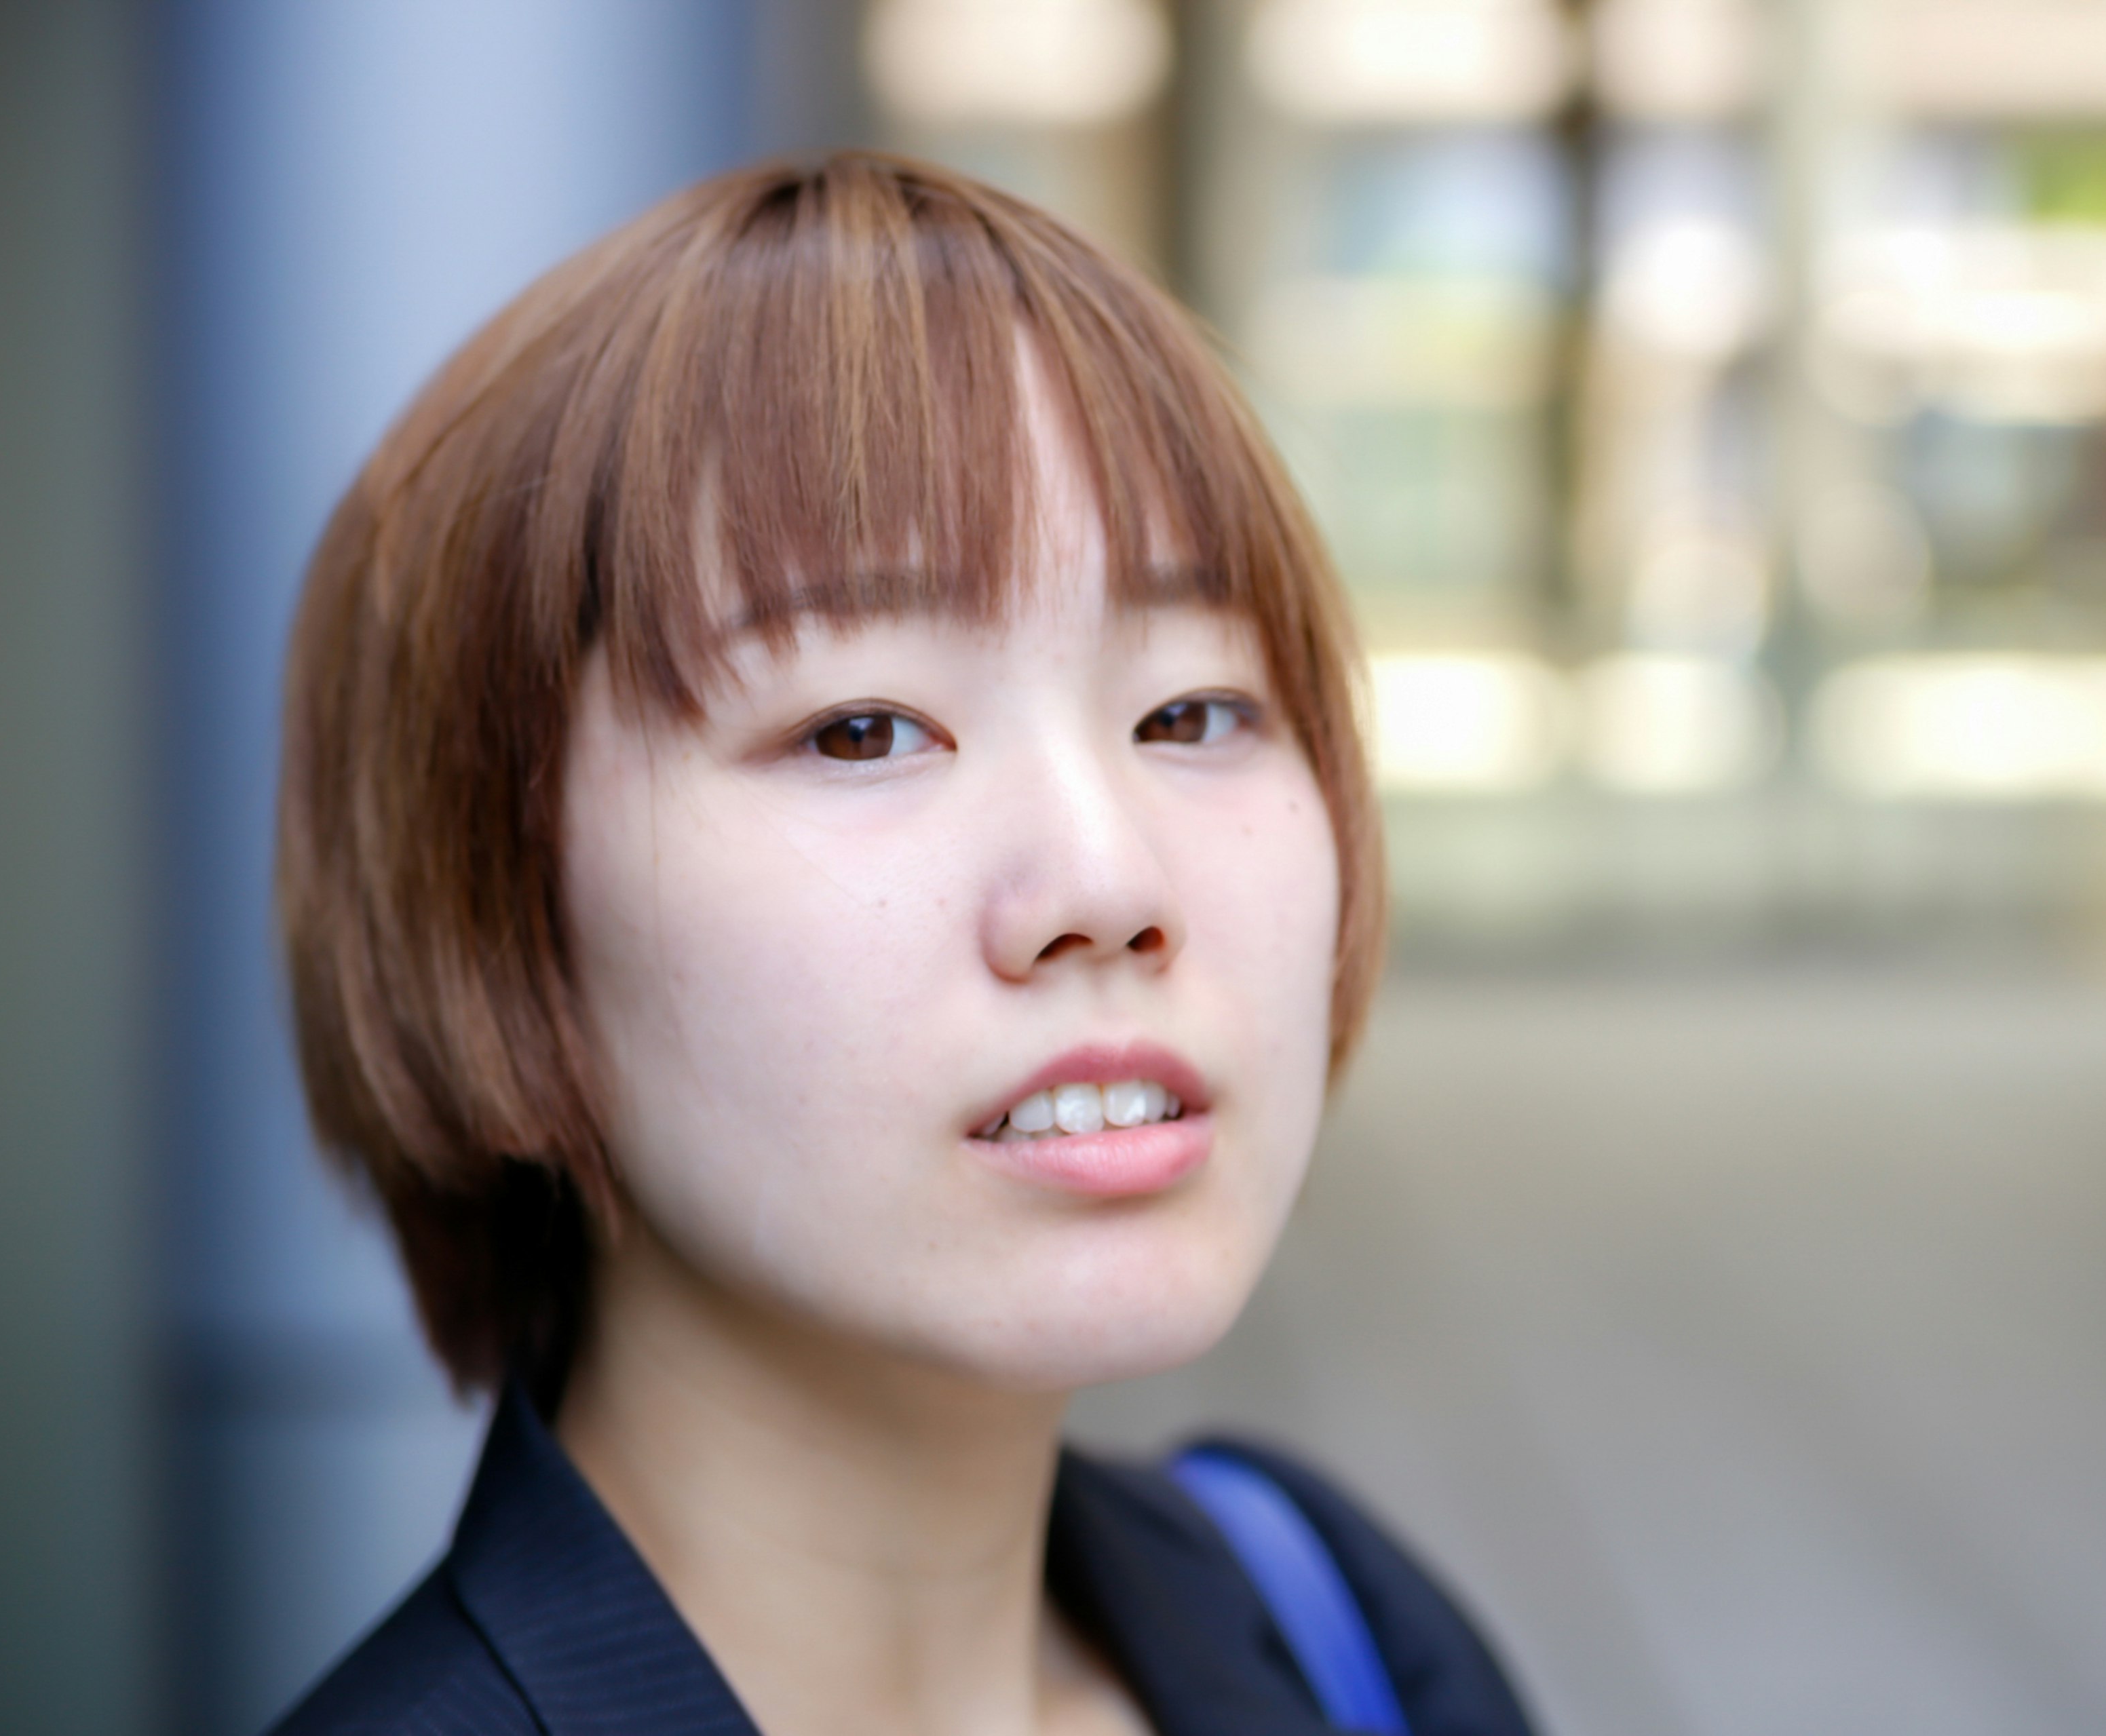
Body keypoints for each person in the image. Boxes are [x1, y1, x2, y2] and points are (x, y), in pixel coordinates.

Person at [269, 152, 1535, 1736]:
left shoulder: (1339, 1632)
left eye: (1193, 709)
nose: (1107, 873)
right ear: (496, 905)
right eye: (863, 729)